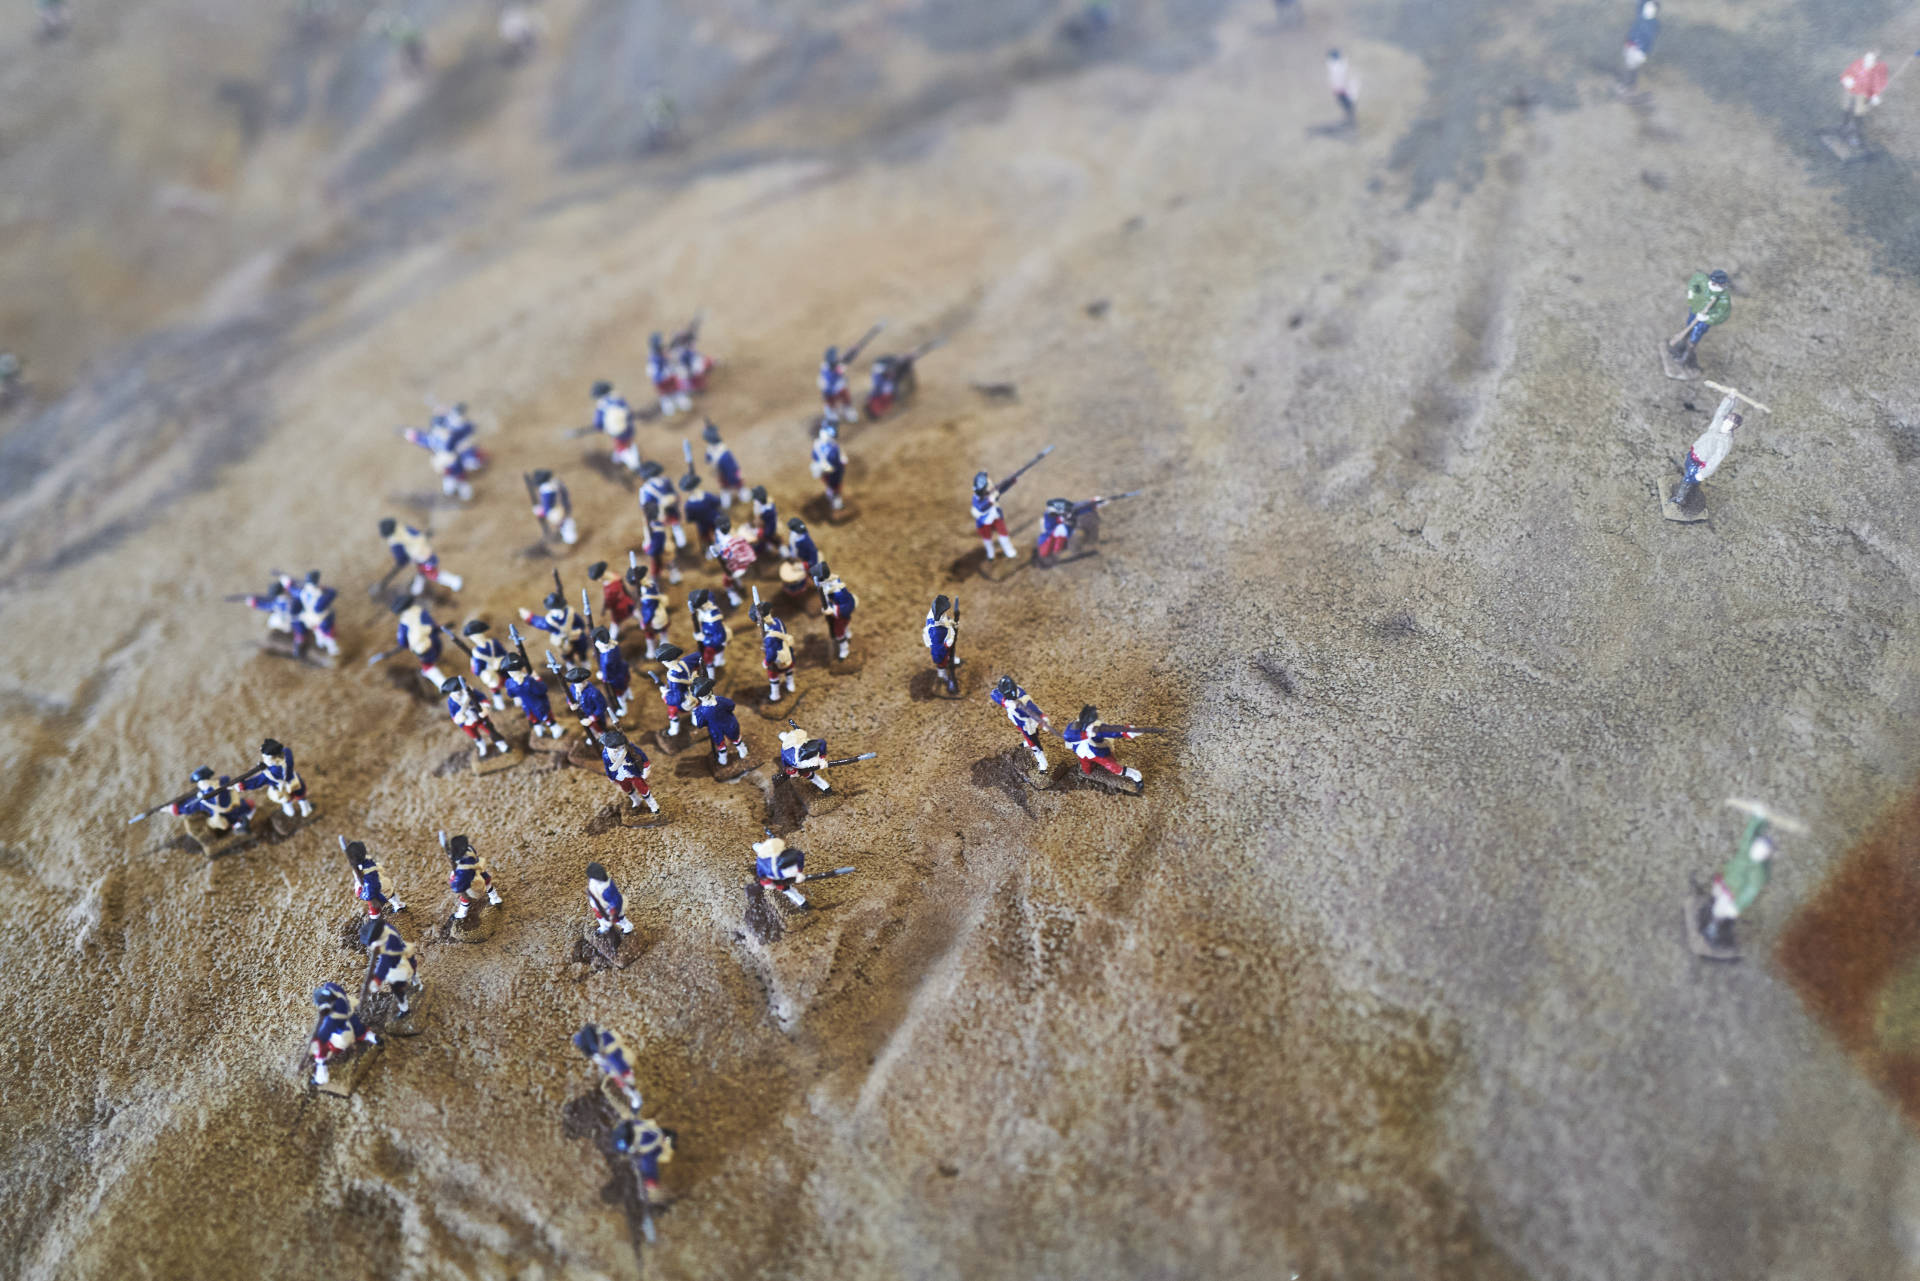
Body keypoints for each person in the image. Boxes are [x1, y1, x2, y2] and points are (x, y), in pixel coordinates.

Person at [1326, 49, 1358, 127]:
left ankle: (1351, 120)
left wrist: (1346, 90)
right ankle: (1350, 118)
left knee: (1348, 105)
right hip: (1341, 90)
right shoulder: (1337, 65)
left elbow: (1345, 79)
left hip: (1345, 91)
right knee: (1346, 105)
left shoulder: (1339, 66)